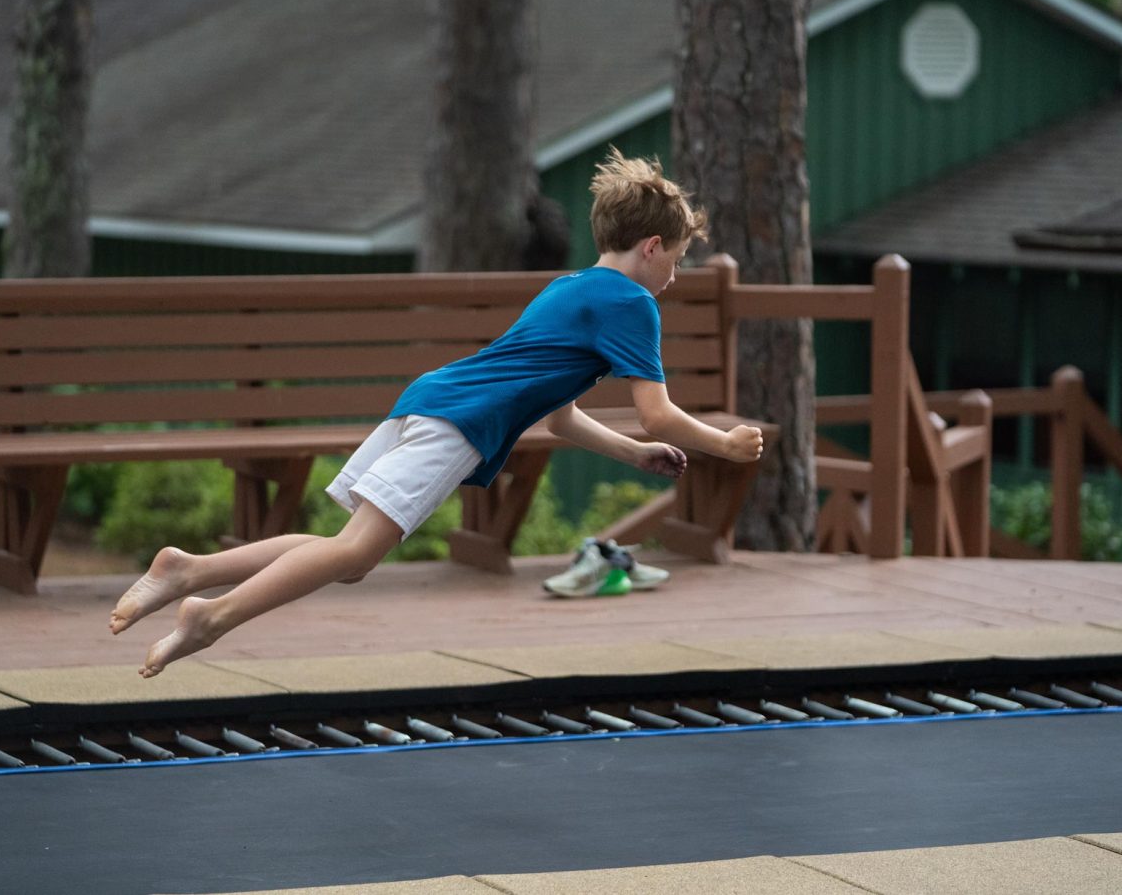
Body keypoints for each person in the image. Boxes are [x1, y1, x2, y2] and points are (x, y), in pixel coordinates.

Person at [111, 148, 765, 677]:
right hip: (459, 421)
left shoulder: (573, 288)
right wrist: (725, 444)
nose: (673, 277)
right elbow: (657, 413)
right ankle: (210, 616)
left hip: (432, 400)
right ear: (651, 246)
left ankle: (189, 569)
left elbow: (561, 418)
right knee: (352, 552)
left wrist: (634, 454)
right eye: (676, 261)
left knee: (350, 556)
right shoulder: (631, 303)